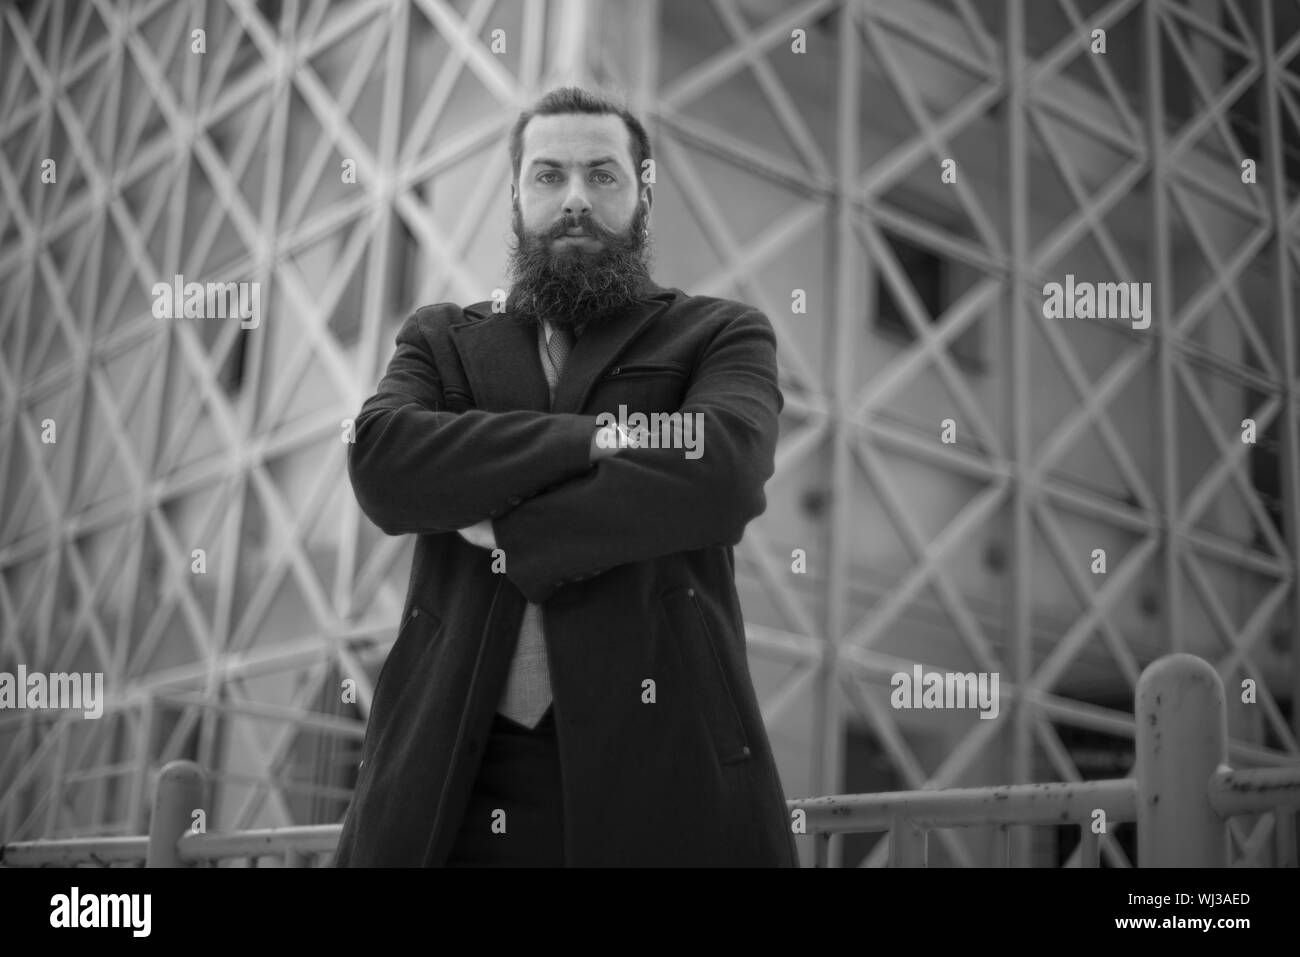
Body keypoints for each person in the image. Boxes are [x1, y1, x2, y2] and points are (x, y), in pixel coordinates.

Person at [333, 86, 797, 867]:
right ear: (515, 197)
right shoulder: (444, 339)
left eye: (602, 175)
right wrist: (599, 441)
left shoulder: (718, 331)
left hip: (662, 782)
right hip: (445, 783)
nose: (575, 200)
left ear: (643, 192)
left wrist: (511, 527)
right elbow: (383, 461)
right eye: (548, 176)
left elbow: (723, 469)